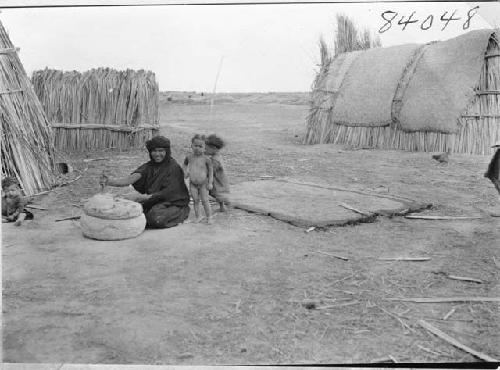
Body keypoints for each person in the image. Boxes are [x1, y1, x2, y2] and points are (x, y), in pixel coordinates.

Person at [100, 136, 190, 229]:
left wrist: (141, 197)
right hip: (154, 201)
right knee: (134, 212)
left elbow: (167, 193)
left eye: (161, 151)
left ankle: (182, 213)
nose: (157, 154)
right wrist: (109, 181)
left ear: (167, 151)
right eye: (154, 151)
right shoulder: (148, 166)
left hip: (173, 203)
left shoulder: (173, 167)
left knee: (156, 218)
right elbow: (130, 179)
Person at [183, 134, 214, 223]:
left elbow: (211, 171)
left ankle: (209, 217)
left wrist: (210, 182)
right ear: (191, 145)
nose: (197, 148)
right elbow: (184, 165)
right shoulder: (189, 157)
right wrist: (185, 172)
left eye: (200, 146)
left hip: (203, 183)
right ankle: (198, 216)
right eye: (195, 145)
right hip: (193, 183)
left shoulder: (206, 159)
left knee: (205, 200)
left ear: (205, 148)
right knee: (196, 200)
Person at [205, 134, 230, 212]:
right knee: (218, 194)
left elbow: (211, 170)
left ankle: (222, 206)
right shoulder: (216, 156)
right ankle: (222, 205)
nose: (204, 150)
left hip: (217, 181)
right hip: (219, 179)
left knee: (218, 193)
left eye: (206, 149)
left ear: (214, 149)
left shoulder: (215, 160)